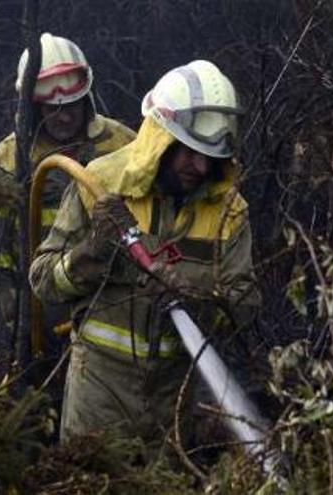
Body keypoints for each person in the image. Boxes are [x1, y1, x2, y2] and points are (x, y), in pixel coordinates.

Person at [29, 60, 261, 457]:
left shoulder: (229, 210)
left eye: (210, 156)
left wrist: (199, 299)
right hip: (98, 396)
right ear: (158, 140)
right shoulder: (99, 184)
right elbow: (44, 280)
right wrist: (92, 254)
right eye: (187, 152)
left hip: (172, 403)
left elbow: (245, 303)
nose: (200, 167)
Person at [0, 33, 135, 356]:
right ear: (31, 107)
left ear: (86, 98)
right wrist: (21, 321)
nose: (63, 116)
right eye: (51, 108)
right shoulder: (7, 162)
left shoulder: (123, 144)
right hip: (45, 319)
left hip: (118, 311)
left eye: (71, 105)